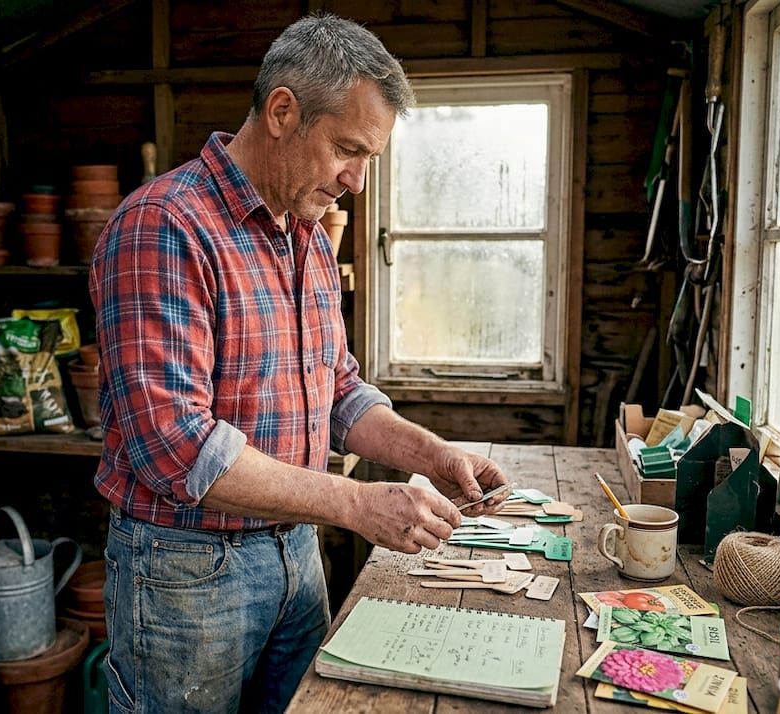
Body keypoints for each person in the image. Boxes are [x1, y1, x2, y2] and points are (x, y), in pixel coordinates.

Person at [88, 13, 510, 714]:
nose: (357, 181)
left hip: (296, 554)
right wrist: (355, 503)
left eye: (369, 157)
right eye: (348, 149)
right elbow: (174, 446)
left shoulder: (305, 234)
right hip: (189, 574)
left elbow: (337, 389)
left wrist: (429, 454)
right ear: (282, 110)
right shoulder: (164, 226)